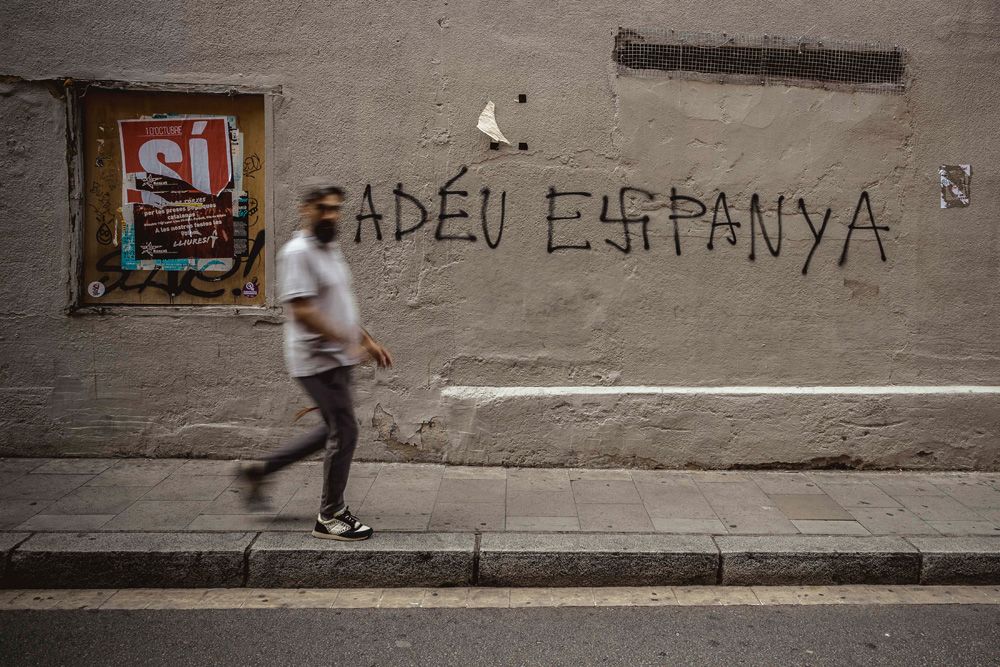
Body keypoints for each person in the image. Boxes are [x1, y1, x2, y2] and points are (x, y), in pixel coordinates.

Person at [240, 185, 392, 540]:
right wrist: (346, 340)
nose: (331, 216)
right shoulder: (297, 253)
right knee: (346, 430)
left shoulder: (329, 250)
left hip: (337, 358)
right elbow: (302, 311)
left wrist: (367, 341)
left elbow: (337, 305)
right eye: (323, 208)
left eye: (336, 209)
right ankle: (331, 515)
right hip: (315, 361)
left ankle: (261, 471)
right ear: (305, 209)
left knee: (332, 429)